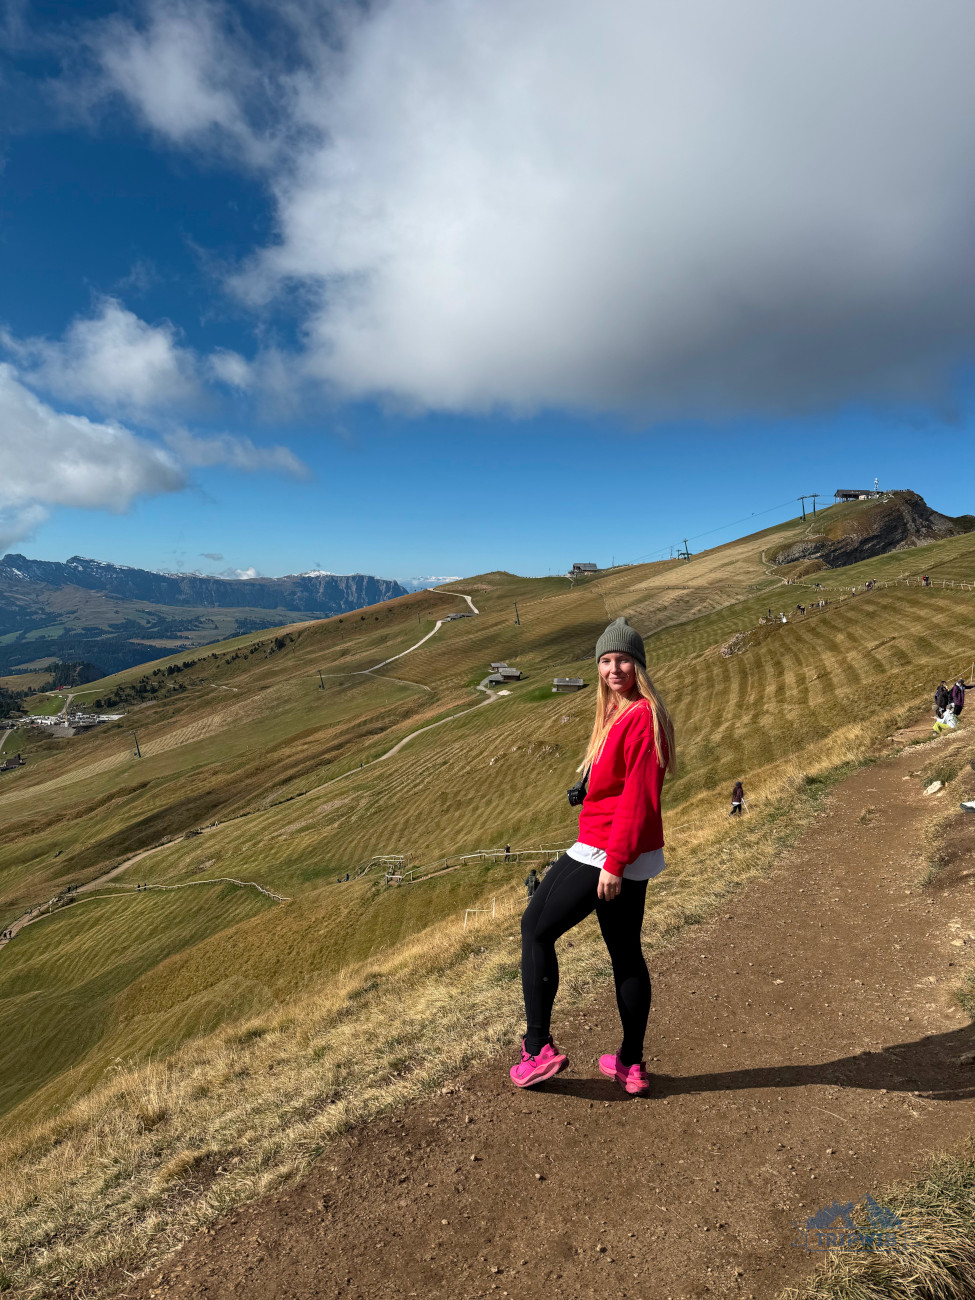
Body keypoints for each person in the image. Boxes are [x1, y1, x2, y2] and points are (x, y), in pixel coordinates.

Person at [511, 617, 675, 1097]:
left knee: (535, 927)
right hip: (627, 847)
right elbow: (621, 784)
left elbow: (640, 798)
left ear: (639, 664)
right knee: (625, 952)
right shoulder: (621, 712)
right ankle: (630, 1064)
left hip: (607, 847)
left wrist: (613, 864)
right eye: (605, 660)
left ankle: (537, 1048)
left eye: (623, 659)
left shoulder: (641, 715)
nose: (613, 669)